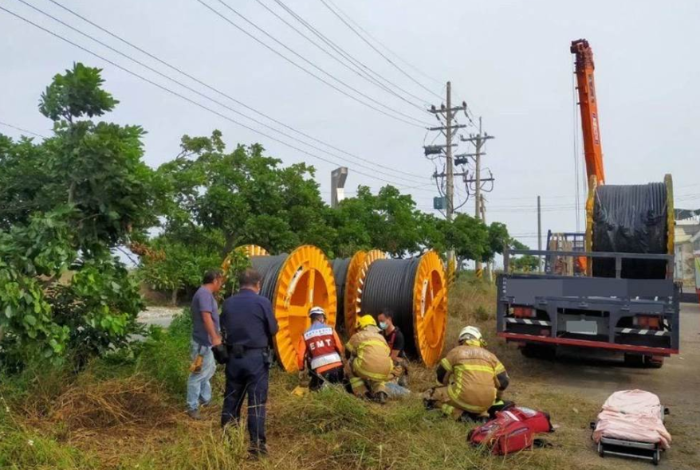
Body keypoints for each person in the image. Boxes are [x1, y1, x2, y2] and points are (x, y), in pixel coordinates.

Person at [220, 268, 279, 458]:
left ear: (239, 284)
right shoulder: (262, 302)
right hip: (256, 359)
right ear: (258, 284)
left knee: (231, 401)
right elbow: (273, 329)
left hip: (233, 359)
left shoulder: (228, 303)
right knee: (256, 404)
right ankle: (257, 448)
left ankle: (229, 444)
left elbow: (223, 328)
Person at [424, 326, 510, 421]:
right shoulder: (491, 356)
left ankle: (459, 415)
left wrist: (445, 388)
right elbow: (504, 382)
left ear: (461, 341)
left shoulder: (456, 352)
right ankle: (482, 415)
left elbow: (440, 376)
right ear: (479, 340)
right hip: (486, 403)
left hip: (462, 399)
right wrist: (494, 395)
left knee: (430, 395)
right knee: (478, 400)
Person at [186, 269, 224, 420]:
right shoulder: (204, 294)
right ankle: (192, 406)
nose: (221, 284)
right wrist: (214, 337)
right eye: (220, 281)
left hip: (205, 341)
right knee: (198, 373)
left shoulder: (204, 294)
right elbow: (206, 316)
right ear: (215, 280)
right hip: (203, 342)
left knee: (208, 370)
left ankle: (205, 399)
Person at [345, 315, 393, 404]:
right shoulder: (382, 338)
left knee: (348, 365)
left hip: (366, 369)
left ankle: (363, 393)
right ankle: (380, 392)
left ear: (361, 326)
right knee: (378, 373)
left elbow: (347, 353)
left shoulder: (358, 335)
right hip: (386, 370)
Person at [296, 306, 345, 391]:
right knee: (338, 387)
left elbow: (301, 356)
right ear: (321, 318)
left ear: (311, 318)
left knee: (314, 389)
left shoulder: (305, 334)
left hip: (320, 372)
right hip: (338, 369)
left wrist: (301, 369)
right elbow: (340, 348)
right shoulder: (331, 329)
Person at [377, 309, 409, 387]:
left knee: (387, 384)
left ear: (389, 319)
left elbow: (393, 357)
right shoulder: (381, 333)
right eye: (379, 321)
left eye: (382, 321)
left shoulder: (398, 336)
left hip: (395, 362)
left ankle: (400, 379)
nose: (381, 323)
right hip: (384, 359)